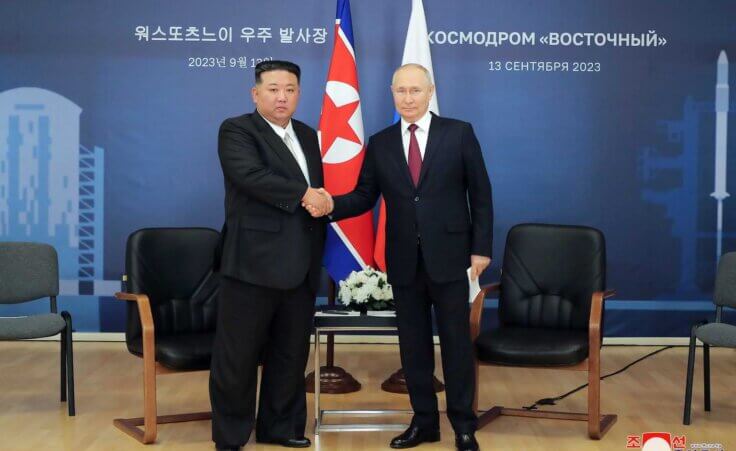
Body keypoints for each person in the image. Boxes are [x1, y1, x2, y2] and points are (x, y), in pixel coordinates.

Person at [305, 63, 493, 451]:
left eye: (415, 91)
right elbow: (363, 196)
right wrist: (328, 204)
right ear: (392, 93)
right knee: (413, 346)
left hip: (451, 257)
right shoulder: (382, 141)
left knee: (456, 344)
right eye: (401, 91)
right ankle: (424, 423)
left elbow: (481, 194)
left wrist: (481, 248)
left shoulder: (458, 133)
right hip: (404, 260)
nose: (408, 98)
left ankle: (463, 425)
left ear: (429, 92)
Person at [210, 60, 331, 451]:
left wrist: (322, 200)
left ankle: (279, 427)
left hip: (301, 265)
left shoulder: (309, 136)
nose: (283, 96)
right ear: (256, 93)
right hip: (252, 264)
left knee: (289, 353)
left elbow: (315, 194)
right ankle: (230, 435)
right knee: (238, 357)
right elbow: (251, 177)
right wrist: (305, 195)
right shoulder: (237, 130)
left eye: (291, 89)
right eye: (274, 88)